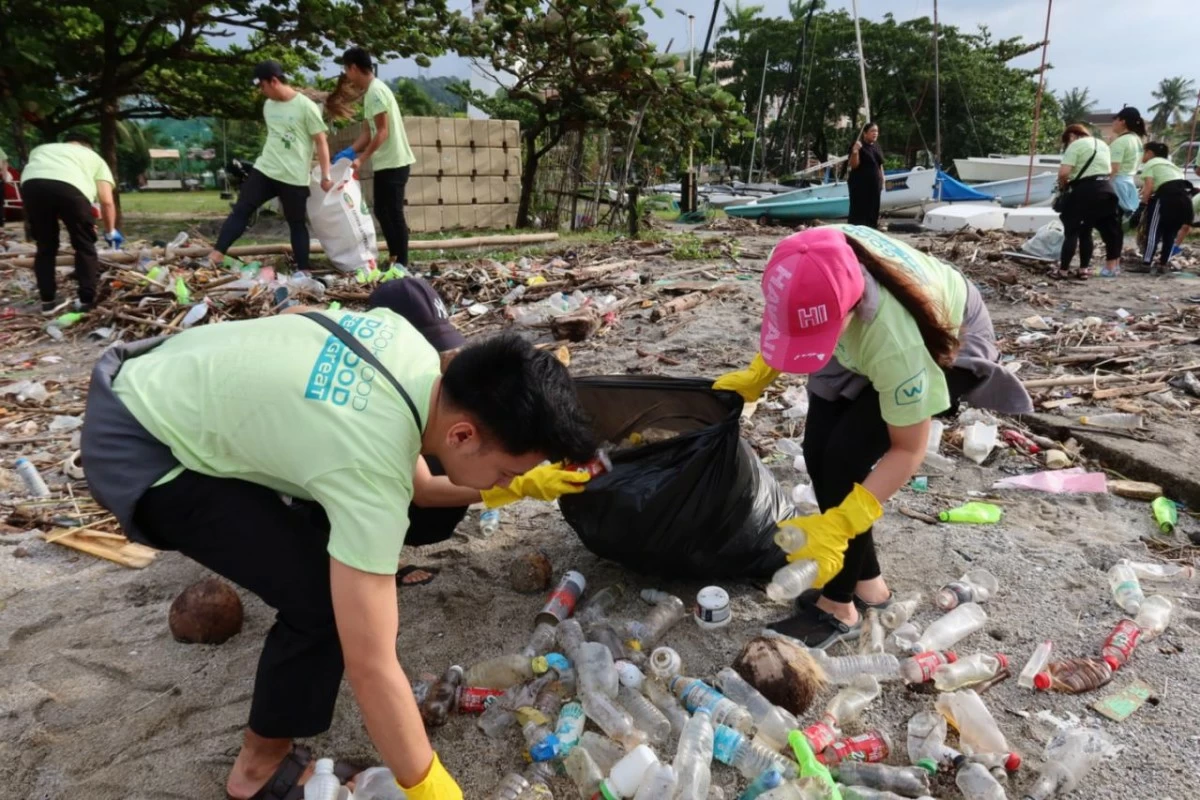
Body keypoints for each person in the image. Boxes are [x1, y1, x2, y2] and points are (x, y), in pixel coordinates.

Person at [81, 309, 597, 799]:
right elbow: (370, 664)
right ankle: (256, 773)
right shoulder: (365, 469)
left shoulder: (410, 348)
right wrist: (429, 784)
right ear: (463, 434)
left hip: (161, 373)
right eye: (508, 471)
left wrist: (515, 487)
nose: (508, 481)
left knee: (410, 522)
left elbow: (416, 486)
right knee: (321, 605)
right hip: (139, 442)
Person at [713, 225, 1032, 647]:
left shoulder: (894, 341)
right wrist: (761, 373)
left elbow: (908, 449)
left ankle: (839, 605)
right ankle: (870, 586)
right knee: (818, 451)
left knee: (845, 457)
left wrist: (842, 525)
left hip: (945, 335)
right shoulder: (796, 263)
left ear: (849, 310)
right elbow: (791, 317)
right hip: (852, 331)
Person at [210, 61, 332, 272]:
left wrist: (326, 175)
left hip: (293, 176)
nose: (261, 91)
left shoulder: (306, 107)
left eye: (262, 86)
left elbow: (321, 142)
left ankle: (302, 271)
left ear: (274, 81)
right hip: (266, 170)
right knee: (242, 209)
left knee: (296, 223)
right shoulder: (269, 106)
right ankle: (217, 254)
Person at [334, 47, 417, 268]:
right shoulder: (370, 93)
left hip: (395, 161)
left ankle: (402, 262)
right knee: (382, 210)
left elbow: (383, 131)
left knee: (393, 212)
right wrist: (350, 152)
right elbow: (367, 133)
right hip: (385, 163)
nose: (347, 76)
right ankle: (394, 257)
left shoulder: (376, 92)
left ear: (353, 67)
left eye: (346, 70)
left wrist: (362, 159)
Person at [19, 133, 119, 312]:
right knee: (84, 245)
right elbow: (107, 201)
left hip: (31, 186)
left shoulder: (41, 149)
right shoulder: (93, 157)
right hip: (72, 190)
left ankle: (47, 301)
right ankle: (86, 300)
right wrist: (111, 231)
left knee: (45, 246)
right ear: (86, 147)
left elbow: (48, 187)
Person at [1053, 124, 1122, 280]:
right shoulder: (1103, 144)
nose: (1067, 145)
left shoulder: (1076, 144)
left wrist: (1064, 186)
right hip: (1106, 190)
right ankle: (1083, 270)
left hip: (1085, 190)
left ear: (1071, 136)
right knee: (1087, 231)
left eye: (1066, 142)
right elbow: (1110, 170)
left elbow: (1063, 173)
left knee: (1072, 231)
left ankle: (1063, 270)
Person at [1138, 142, 1195, 274]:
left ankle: (1146, 263)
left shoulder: (1151, 164)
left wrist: (1142, 204)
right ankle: (1163, 264)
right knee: (1170, 233)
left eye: (1143, 152)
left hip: (1164, 198)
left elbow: (1149, 187)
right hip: (1183, 199)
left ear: (1150, 153)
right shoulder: (1173, 165)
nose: (1142, 155)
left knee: (1153, 231)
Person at [1108, 107, 1146, 218]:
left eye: (1115, 119)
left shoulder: (1121, 141)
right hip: (1129, 182)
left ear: (1122, 121)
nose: (1113, 123)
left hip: (1117, 184)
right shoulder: (1137, 140)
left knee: (1111, 222)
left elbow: (1113, 168)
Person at [847, 122, 884, 228]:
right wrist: (855, 151)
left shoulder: (876, 146)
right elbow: (854, 165)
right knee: (859, 210)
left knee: (873, 209)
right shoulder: (858, 145)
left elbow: (880, 164)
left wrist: (882, 180)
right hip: (860, 185)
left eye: (876, 131)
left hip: (875, 184)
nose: (875, 133)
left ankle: (872, 228)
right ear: (865, 133)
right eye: (872, 131)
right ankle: (856, 230)